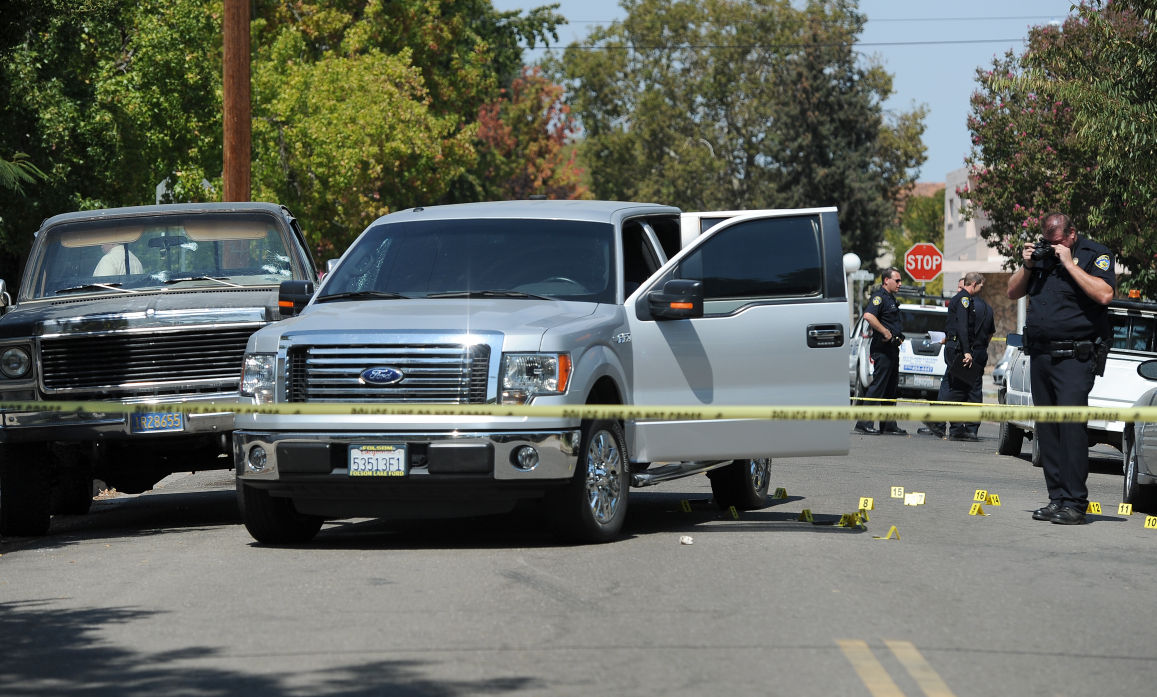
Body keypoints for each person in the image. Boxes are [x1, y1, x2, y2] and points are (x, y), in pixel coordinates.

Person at [1008, 212, 1115, 525]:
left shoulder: (1095, 254)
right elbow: (1013, 292)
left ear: (1071, 234)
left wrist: (1069, 263)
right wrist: (1028, 264)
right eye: (1048, 242)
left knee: (1070, 430)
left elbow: (1105, 294)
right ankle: (1057, 499)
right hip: (1041, 355)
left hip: (1074, 358)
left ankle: (1075, 503)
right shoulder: (1041, 257)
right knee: (1048, 430)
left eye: (1057, 243)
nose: (1052, 248)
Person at [922, 272, 991, 440]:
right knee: (955, 387)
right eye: (981, 285)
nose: (982, 289)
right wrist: (967, 350)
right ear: (974, 284)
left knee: (957, 386)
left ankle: (952, 427)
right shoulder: (964, 299)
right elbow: (962, 326)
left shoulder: (964, 299)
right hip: (958, 349)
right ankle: (937, 420)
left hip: (955, 346)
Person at [854, 267, 908, 435]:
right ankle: (863, 423)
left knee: (891, 388)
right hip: (882, 350)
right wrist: (885, 332)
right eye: (897, 280)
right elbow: (869, 316)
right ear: (886, 280)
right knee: (878, 386)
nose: (900, 283)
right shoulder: (879, 297)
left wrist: (898, 336)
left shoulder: (890, 298)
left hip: (892, 349)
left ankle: (888, 425)